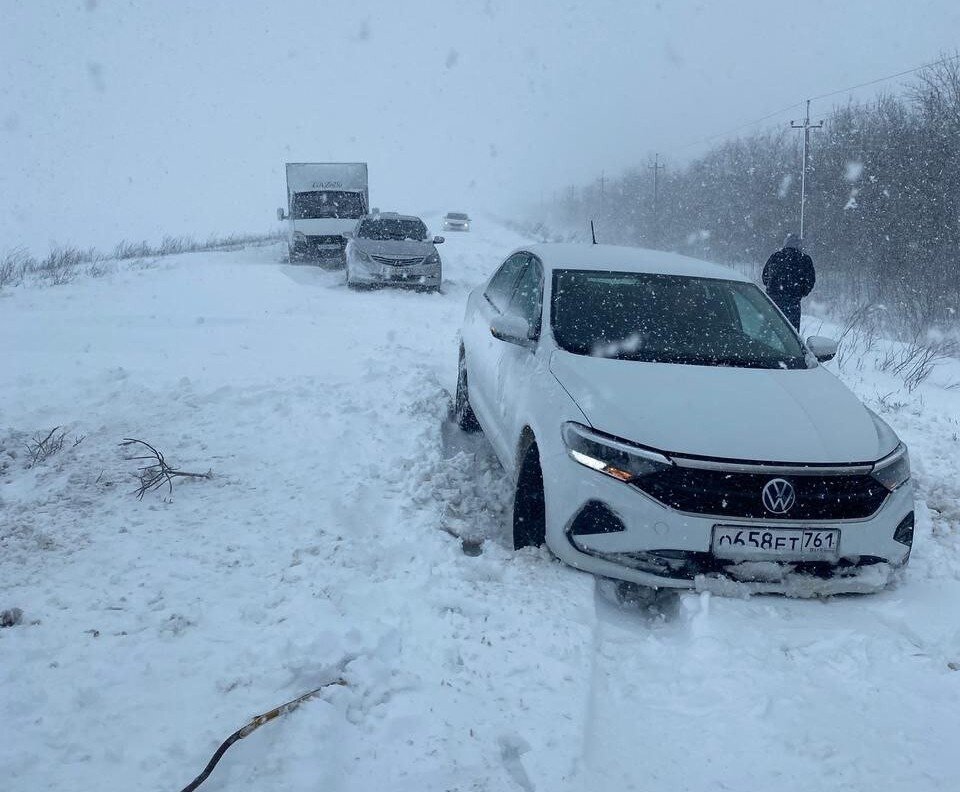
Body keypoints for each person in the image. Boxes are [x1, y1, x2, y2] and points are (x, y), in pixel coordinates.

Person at [762, 233, 815, 331]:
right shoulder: (805, 259)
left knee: (767, 331)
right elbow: (810, 281)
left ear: (785, 244)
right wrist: (801, 292)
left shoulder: (775, 257)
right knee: (791, 334)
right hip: (793, 302)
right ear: (799, 245)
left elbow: (765, 277)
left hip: (772, 301)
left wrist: (773, 288)